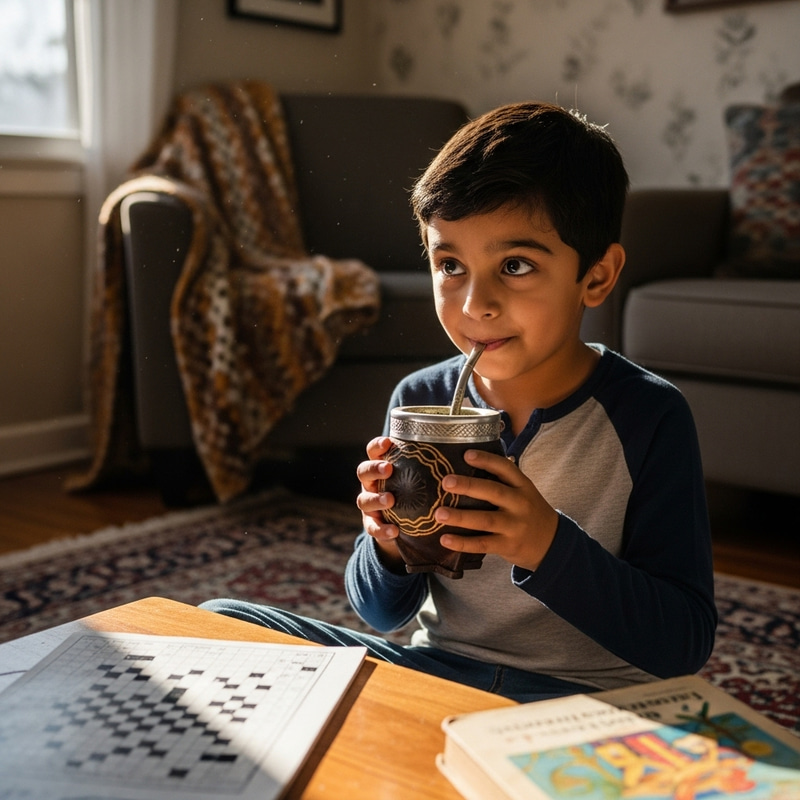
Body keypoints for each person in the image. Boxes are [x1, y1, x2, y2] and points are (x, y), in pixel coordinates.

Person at [200, 102, 718, 702]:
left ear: (596, 277)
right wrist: (389, 544)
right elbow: (381, 614)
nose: (475, 304)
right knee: (221, 624)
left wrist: (547, 545)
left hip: (578, 701)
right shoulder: (419, 401)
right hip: (436, 679)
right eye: (450, 265)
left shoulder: (649, 417)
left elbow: (683, 640)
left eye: (515, 265)